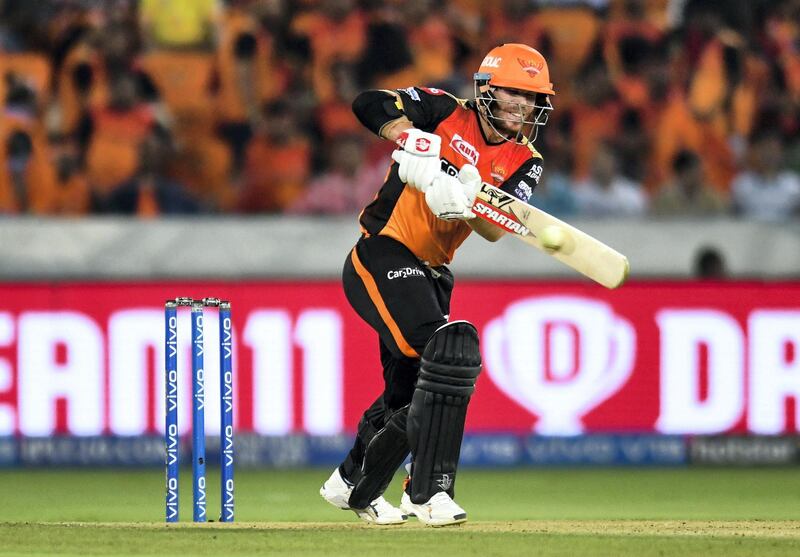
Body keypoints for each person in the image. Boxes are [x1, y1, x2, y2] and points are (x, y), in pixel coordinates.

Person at [319, 43, 554, 526]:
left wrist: (466, 196)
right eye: (514, 93)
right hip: (382, 251)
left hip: (434, 272)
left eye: (532, 98)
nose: (523, 107)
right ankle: (428, 491)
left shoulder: (526, 159)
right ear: (487, 90)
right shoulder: (443, 110)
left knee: (408, 393)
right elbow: (369, 102)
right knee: (447, 354)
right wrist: (413, 142)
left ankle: (349, 481)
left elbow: (492, 228)